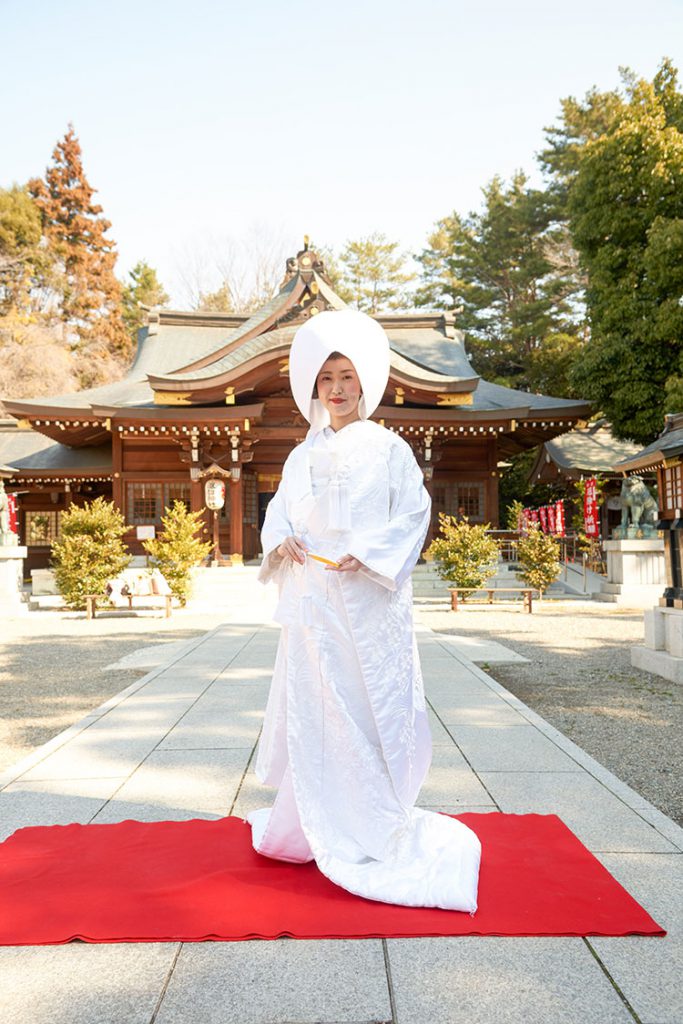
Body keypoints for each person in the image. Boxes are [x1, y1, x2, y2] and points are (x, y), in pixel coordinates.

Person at [248, 308, 481, 912]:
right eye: (327, 377)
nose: (337, 388)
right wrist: (283, 541)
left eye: (347, 375)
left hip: (369, 598)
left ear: (365, 382)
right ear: (313, 388)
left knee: (367, 705)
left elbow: (413, 515)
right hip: (312, 601)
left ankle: (373, 817)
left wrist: (368, 553)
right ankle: (311, 820)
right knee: (319, 708)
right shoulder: (300, 457)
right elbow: (280, 515)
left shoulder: (390, 449)